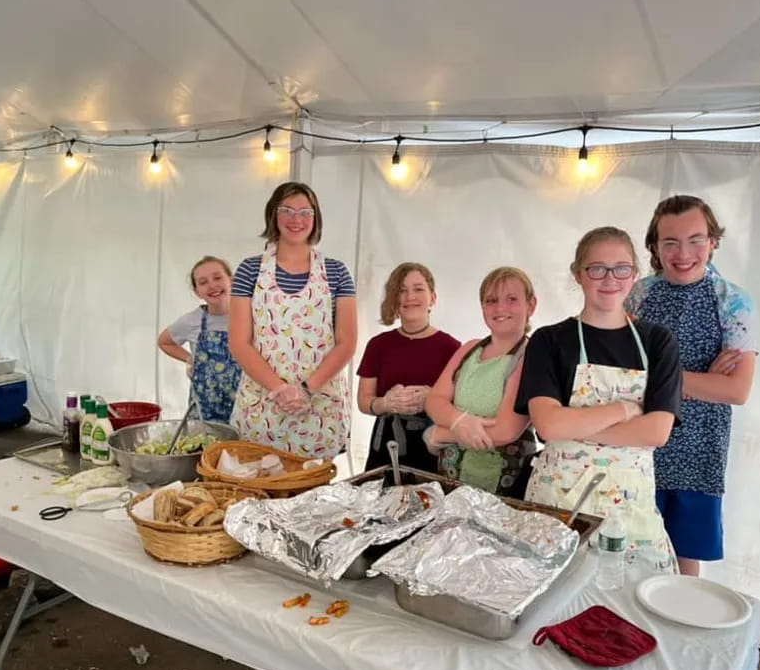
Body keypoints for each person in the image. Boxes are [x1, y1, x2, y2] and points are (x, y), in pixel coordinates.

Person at [515, 227, 682, 557]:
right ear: (579, 274)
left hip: (630, 511)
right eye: (597, 268)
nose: (610, 278)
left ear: (634, 274)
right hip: (558, 505)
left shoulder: (658, 343)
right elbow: (548, 426)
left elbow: (657, 431)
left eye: (621, 268)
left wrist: (575, 427)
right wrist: (625, 410)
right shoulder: (549, 341)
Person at [625, 195, 757, 576]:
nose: (683, 253)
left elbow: (737, 391)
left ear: (713, 241)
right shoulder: (639, 295)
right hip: (639, 445)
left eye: (696, 239)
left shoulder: (734, 303)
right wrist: (703, 380)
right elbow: (621, 373)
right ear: (654, 246)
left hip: (699, 451)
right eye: (670, 242)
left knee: (685, 562)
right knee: (630, 553)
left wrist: (661, 379)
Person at [229, 182, 357, 460]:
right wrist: (280, 388)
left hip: (319, 407)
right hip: (264, 405)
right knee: (260, 489)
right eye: (286, 210)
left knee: (317, 493)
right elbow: (239, 343)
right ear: (273, 215)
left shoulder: (337, 272)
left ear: (316, 218)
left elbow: (347, 343)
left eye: (304, 212)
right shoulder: (249, 270)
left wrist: (307, 389)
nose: (295, 219)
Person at [424, 267, 538, 498]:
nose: (500, 308)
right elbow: (435, 400)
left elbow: (506, 431)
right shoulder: (469, 348)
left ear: (531, 305)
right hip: (451, 478)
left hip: (502, 487)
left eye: (512, 299)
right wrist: (459, 420)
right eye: (491, 300)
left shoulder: (532, 355)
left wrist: (440, 434)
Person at [356, 263, 460, 473]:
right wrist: (385, 403)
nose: (410, 296)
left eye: (418, 289)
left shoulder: (452, 348)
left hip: (433, 445)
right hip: (387, 445)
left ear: (433, 298)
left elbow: (462, 403)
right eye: (401, 290)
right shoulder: (379, 344)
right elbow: (363, 401)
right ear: (394, 300)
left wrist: (432, 399)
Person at [157, 256, 241, 423]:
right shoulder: (192, 321)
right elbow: (164, 341)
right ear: (197, 292)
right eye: (203, 282)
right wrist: (190, 358)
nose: (212, 285)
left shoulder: (250, 315)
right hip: (204, 413)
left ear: (232, 280)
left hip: (243, 409)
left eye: (217, 278)